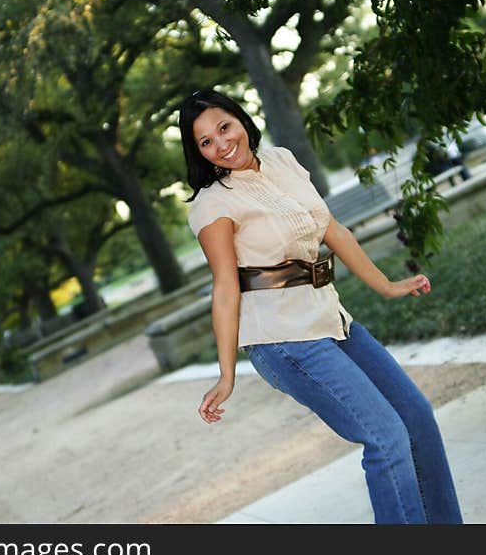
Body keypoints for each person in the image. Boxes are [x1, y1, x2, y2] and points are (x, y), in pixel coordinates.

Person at [178, 88, 462, 524]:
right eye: (206, 142)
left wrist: (387, 286)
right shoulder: (213, 204)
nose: (221, 143)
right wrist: (227, 373)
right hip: (283, 339)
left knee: (416, 419)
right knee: (385, 439)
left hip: (331, 319)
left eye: (224, 127)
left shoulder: (282, 161)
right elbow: (225, 288)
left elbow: (334, 231)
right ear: (199, 153)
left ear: (240, 119)